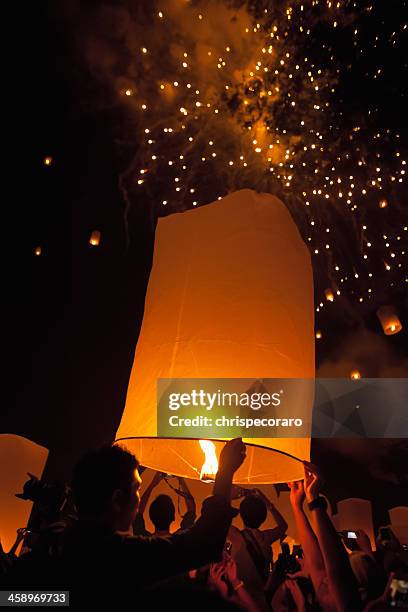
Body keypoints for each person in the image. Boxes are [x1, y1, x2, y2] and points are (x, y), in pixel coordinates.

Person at [10, 438, 246, 610]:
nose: (140, 496)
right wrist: (225, 473)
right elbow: (201, 545)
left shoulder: (61, 541)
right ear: (117, 500)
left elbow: (14, 597)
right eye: (137, 488)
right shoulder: (113, 553)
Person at [228, 488, 288, 611]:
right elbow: (283, 526)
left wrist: (229, 497)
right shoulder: (267, 537)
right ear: (263, 517)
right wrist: (266, 502)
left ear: (242, 515)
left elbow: (219, 516)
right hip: (261, 603)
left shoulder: (236, 537)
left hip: (240, 600)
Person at [133, 471, 196, 536]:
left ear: (150, 517)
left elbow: (137, 511)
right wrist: (181, 480)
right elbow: (191, 509)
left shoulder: (141, 541)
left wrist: (153, 484)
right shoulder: (180, 541)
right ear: (173, 517)